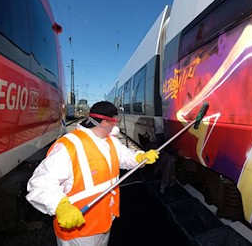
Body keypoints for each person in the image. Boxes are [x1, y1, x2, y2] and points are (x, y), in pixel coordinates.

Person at [26, 101, 159, 246]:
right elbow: (40, 183)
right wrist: (60, 206)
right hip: (77, 230)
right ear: (104, 123)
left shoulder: (110, 141)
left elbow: (125, 157)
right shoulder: (70, 146)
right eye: (116, 121)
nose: (118, 126)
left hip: (104, 221)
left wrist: (140, 158)